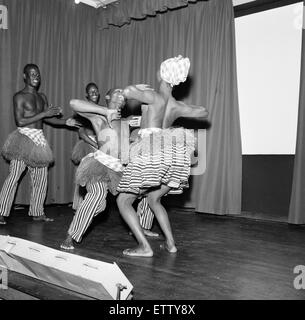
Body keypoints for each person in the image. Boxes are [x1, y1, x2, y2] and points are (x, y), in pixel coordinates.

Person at [116, 55, 209, 257]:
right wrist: (185, 109)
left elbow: (127, 92)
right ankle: (171, 244)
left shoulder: (153, 96)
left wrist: (139, 88)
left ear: (162, 73)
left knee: (123, 201)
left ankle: (144, 247)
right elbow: (203, 111)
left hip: (150, 150)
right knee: (154, 199)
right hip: (171, 154)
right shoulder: (175, 105)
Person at [0, 64, 79, 225]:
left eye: (38, 74)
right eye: (32, 74)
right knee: (14, 176)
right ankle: (1, 212)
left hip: (39, 140)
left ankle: (37, 212)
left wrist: (66, 122)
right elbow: (20, 121)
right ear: (25, 76)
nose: (36, 76)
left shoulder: (42, 97)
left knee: (41, 179)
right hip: (23, 139)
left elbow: (47, 119)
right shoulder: (19, 96)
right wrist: (44, 113)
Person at [71, 83, 100, 210]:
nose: (94, 93)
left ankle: (93, 204)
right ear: (86, 95)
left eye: (95, 91)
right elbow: (82, 134)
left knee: (97, 177)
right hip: (88, 145)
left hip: (99, 144)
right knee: (84, 176)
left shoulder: (101, 109)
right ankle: (79, 207)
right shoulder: (83, 110)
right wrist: (95, 145)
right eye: (91, 91)